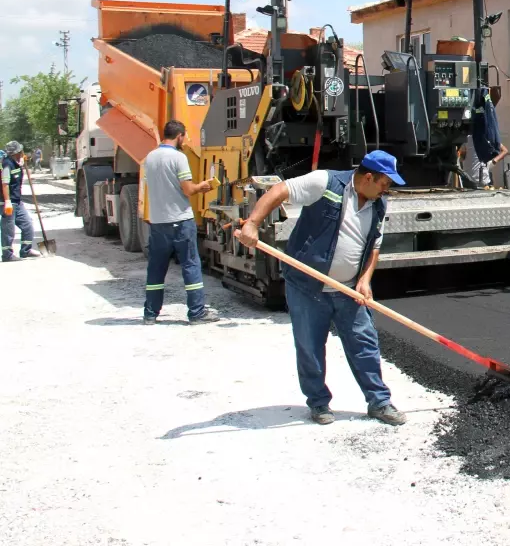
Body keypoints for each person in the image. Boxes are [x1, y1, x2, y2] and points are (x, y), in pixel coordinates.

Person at [235, 151, 408, 426]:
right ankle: (318, 403)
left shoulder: (378, 205)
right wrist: (253, 224)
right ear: (368, 177)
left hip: (349, 289)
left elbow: (374, 245)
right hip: (308, 286)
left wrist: (364, 279)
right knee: (310, 347)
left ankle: (379, 402)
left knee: (365, 345)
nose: (387, 189)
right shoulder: (325, 183)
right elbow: (279, 190)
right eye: (385, 183)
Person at [142, 121, 219, 324]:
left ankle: (150, 313)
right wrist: (202, 186)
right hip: (181, 221)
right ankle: (196, 313)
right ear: (180, 136)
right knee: (191, 266)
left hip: (158, 223)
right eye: (184, 137)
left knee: (156, 269)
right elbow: (187, 190)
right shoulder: (178, 158)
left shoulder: (149, 158)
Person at [2, 142, 40, 262]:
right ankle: (7, 255)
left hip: (17, 201)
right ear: (16, 153)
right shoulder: (7, 164)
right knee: (8, 229)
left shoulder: (15, 163)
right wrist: (7, 201)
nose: (22, 153)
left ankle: (26, 250)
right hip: (8, 202)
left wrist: (22, 165)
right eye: (21, 152)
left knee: (27, 224)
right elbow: (5, 184)